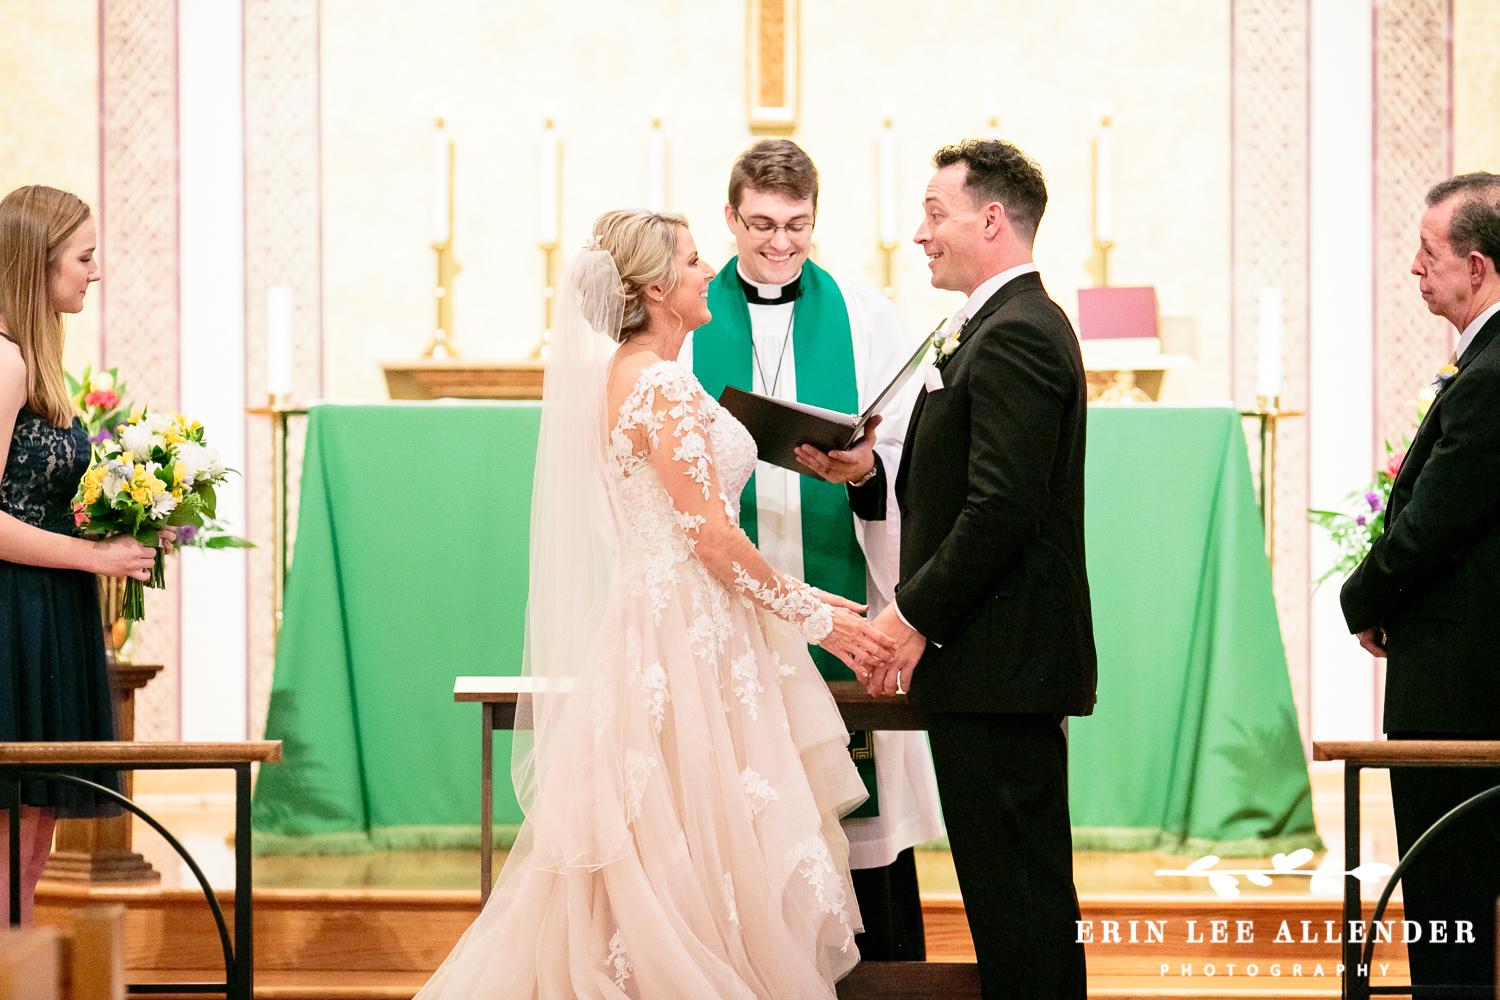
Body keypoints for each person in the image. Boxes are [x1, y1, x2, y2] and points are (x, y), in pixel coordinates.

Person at [415, 209, 898, 1000]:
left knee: (681, 840)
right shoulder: (661, 383)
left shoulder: (630, 376)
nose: (710, 272)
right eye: (694, 260)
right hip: (689, 633)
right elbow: (708, 536)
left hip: (674, 621)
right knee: (697, 843)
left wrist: (807, 598)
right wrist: (817, 617)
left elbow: (694, 532)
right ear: (652, 288)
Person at [680, 139, 943, 962]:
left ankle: (878, 975)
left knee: (853, 809)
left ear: (816, 219)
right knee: (742, 803)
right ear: (730, 217)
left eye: (797, 225)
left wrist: (867, 470)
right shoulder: (686, 322)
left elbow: (915, 452)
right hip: (729, 600)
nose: (779, 243)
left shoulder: (866, 318)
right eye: (760, 225)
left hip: (841, 595)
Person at [864, 140, 1098, 999]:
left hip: (1002, 667)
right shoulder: (993, 326)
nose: (920, 235)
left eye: (936, 213)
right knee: (1010, 905)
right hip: (988, 667)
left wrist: (909, 613)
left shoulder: (1019, 334)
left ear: (991, 220)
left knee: (1023, 908)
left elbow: (1002, 508)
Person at [1340, 172, 1500, 994]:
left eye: (1428, 252)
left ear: (1477, 267)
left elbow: (1436, 522)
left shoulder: (1495, 372)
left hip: (1463, 688)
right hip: (1463, 675)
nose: (1413, 267)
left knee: (1453, 903)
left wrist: (1360, 599)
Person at [0, 185, 168, 924]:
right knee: (12, 825)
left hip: (49, 610)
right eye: (84, 256)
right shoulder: (4, 362)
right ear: (38, 264)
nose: (94, 273)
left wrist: (126, 515)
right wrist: (92, 557)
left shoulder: (35, 362)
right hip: (15, 615)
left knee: (35, 825)